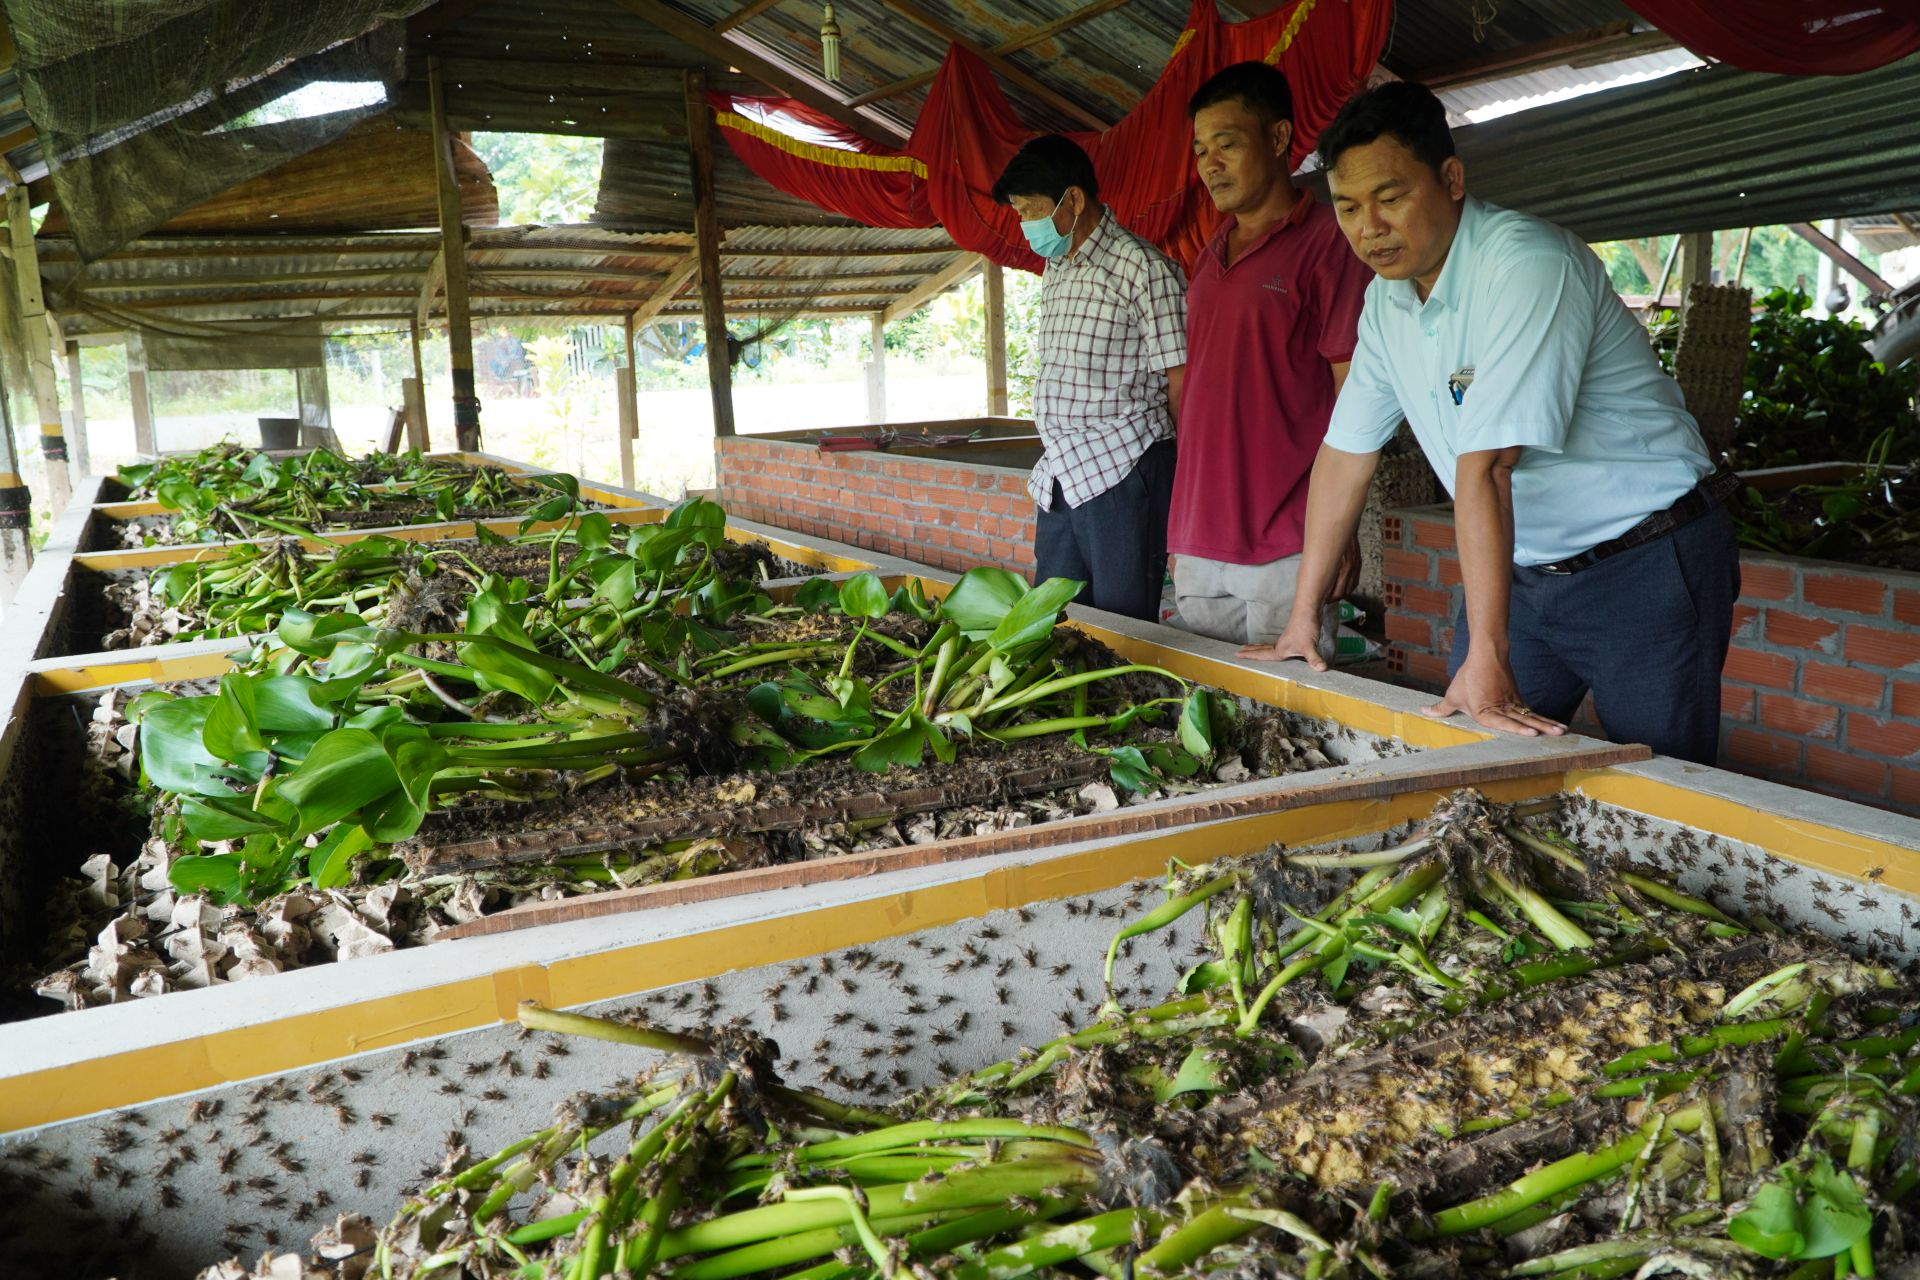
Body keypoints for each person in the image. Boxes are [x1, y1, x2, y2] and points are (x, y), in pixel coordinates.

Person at [1244, 81, 1740, 766]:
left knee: (1658, 782)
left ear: (1450, 178)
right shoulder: (1388, 303)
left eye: (1390, 198)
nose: (1369, 228)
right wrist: (1302, 619)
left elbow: (1488, 467)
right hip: (1528, 571)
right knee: (1475, 759)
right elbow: (1343, 456)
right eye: (1349, 207)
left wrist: (1488, 650)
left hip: (1645, 563)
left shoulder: (1526, 264)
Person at [1170, 61, 1373, 652]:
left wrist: (1342, 528)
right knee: (1209, 722)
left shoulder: (1329, 241)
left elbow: (1352, 390)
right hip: (1200, 539)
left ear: (1279, 138)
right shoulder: (1209, 257)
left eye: (1227, 144)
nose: (1210, 163)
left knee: (1287, 723)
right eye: (1201, 149)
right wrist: (1178, 532)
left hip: (1291, 541)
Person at [992, 135, 1188, 621]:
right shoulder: (1056, 267)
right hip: (1062, 471)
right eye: (1019, 214)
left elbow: (1181, 377)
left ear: (1073, 199)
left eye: (1031, 211)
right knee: (1054, 622)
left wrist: (1181, 480)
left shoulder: (1142, 267)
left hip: (1125, 467)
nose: (1026, 226)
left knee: (1121, 625)